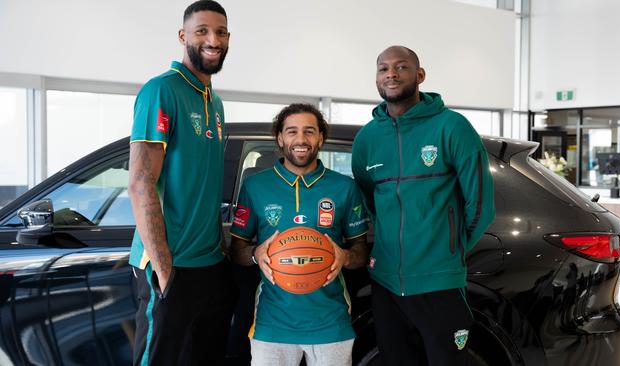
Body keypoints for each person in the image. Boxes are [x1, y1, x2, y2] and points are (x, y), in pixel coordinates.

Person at [351, 45, 496, 365]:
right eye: (383, 68)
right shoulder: (367, 139)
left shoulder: (452, 127)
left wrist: (448, 250)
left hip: (439, 282)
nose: (391, 73)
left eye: (401, 67)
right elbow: (368, 200)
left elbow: (481, 205)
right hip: (386, 283)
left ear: (419, 75)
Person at [127, 1, 235, 365]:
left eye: (220, 32)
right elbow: (141, 183)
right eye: (202, 30)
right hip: (171, 267)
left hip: (209, 266)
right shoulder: (162, 90)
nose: (212, 39)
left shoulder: (215, 103)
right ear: (183, 36)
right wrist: (163, 269)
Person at [230, 103, 369, 366]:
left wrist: (345, 256)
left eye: (309, 131)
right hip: (272, 323)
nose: (301, 139)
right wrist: (254, 254)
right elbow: (237, 250)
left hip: (331, 323)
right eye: (292, 131)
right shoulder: (255, 187)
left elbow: (361, 251)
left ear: (321, 138)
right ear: (280, 138)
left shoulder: (344, 188)